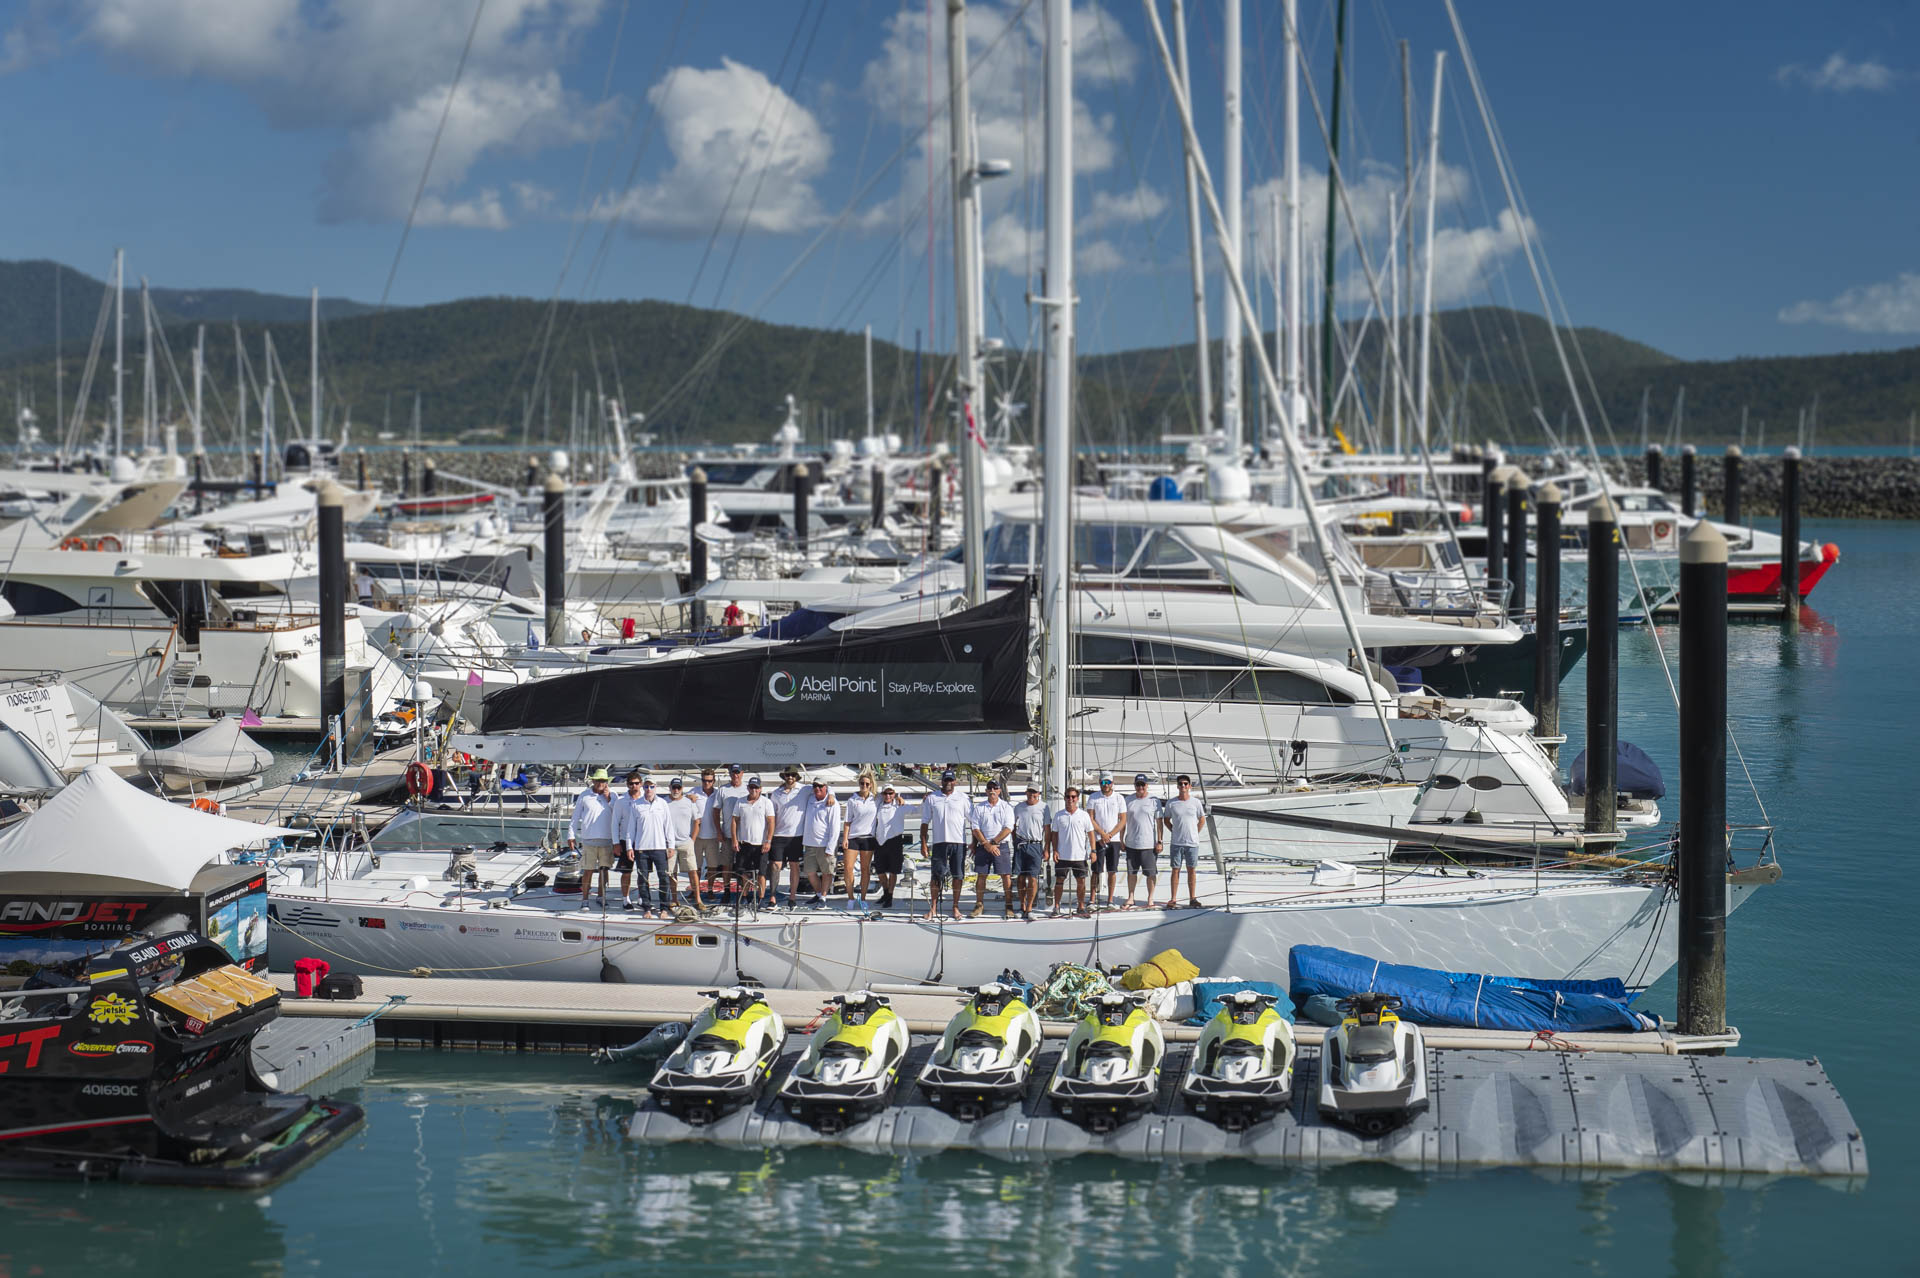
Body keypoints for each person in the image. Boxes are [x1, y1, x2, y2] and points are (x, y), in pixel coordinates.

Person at [917, 769, 970, 921]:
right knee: (936, 876)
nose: (948, 783)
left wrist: (975, 842)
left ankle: (955, 906)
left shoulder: (963, 798)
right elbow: (925, 822)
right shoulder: (932, 798)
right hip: (939, 843)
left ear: (955, 781)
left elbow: (973, 821)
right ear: (942, 781)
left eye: (950, 780)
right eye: (946, 780)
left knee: (958, 876)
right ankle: (933, 908)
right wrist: (924, 844)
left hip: (959, 842)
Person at [619, 775, 675, 917]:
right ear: (643, 787)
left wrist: (671, 845)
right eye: (646, 786)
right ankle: (647, 908)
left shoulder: (662, 804)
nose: (649, 789)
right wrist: (629, 848)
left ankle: (664, 908)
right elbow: (631, 829)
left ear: (655, 787)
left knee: (663, 878)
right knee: (643, 879)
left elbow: (668, 827)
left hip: (660, 847)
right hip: (641, 849)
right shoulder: (636, 805)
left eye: (652, 786)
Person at [568, 768, 616, 911]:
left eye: (603, 781)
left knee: (604, 870)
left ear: (607, 782)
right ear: (593, 781)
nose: (601, 783)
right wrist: (571, 835)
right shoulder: (584, 795)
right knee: (587, 871)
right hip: (588, 840)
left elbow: (618, 815)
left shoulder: (613, 795)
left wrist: (609, 799)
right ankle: (585, 899)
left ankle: (601, 896)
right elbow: (575, 817)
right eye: (598, 780)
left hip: (607, 840)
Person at [967, 779, 1016, 919]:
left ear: (1000, 790)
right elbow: (975, 827)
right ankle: (979, 904)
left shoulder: (1006, 807)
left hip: (1001, 846)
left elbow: (1008, 828)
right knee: (981, 875)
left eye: (995, 788)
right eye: (990, 788)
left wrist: (993, 842)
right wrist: (986, 844)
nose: (992, 790)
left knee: (1006, 875)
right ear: (986, 790)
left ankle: (1009, 905)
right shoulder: (979, 808)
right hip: (983, 846)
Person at [1047, 786, 1095, 917]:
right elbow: (1054, 835)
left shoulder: (1084, 815)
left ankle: (1081, 906)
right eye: (1068, 797)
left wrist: (1093, 851)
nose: (1070, 799)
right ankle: (1056, 907)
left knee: (1081, 882)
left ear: (1077, 798)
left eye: (1073, 797)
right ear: (1064, 798)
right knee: (1059, 882)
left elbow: (1091, 834)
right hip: (1062, 855)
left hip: (1080, 856)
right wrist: (1055, 851)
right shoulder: (1059, 815)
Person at [1161, 774, 1207, 910]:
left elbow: (1202, 819)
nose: (1183, 786)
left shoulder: (1196, 803)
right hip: (1177, 842)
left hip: (1192, 843)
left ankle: (1193, 898)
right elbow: (1166, 820)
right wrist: (1174, 831)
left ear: (1190, 786)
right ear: (1177, 786)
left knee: (1191, 870)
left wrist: (1195, 832)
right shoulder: (1171, 803)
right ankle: (1173, 898)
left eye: (1186, 784)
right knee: (1175, 870)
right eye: (1181, 784)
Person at [729, 776, 776, 906]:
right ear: (748, 788)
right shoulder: (740, 802)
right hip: (744, 843)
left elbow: (771, 822)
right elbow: (734, 821)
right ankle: (744, 896)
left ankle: (760, 898)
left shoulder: (767, 803)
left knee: (761, 873)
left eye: (756, 787)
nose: (754, 790)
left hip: (761, 845)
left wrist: (768, 841)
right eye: (752, 787)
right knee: (743, 872)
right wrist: (734, 840)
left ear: (760, 789)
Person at [1120, 773, 1162, 911]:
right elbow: (1123, 821)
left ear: (1147, 785)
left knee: (1150, 873)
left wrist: (1160, 841)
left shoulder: (1154, 801)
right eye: (1138, 785)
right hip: (1131, 843)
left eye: (1142, 785)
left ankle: (1150, 899)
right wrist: (1121, 839)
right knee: (1132, 873)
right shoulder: (1128, 800)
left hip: (1148, 844)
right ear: (1134, 786)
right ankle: (1131, 897)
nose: (1140, 787)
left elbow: (1159, 822)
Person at [800, 777, 844, 907]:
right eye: (815, 786)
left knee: (827, 872)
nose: (817, 789)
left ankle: (823, 898)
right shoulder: (810, 798)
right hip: (809, 843)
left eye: (820, 786)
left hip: (825, 844)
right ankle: (819, 894)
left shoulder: (832, 803)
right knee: (810, 872)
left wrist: (830, 848)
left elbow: (835, 828)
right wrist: (830, 791)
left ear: (826, 787)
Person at [768, 767, 808, 906]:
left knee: (794, 866)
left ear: (796, 777)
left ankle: (792, 897)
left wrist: (831, 795)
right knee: (775, 865)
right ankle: (772, 896)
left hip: (796, 836)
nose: (790, 777)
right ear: (784, 777)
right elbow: (771, 815)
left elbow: (825, 788)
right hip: (778, 835)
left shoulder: (804, 790)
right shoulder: (776, 793)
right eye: (787, 775)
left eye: (792, 775)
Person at [710, 764, 750, 903]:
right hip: (727, 835)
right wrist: (719, 831)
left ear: (742, 773)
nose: (736, 775)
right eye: (733, 772)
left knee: (743, 866)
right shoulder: (723, 790)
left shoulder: (748, 789)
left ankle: (744, 893)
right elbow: (716, 811)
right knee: (726, 864)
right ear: (730, 773)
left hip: (745, 836)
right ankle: (727, 891)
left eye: (738, 772)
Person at [1086, 773, 1126, 910]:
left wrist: (1110, 835)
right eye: (1103, 783)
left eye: (1108, 782)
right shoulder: (1093, 798)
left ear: (1112, 783)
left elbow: (1123, 819)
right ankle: (1092, 900)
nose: (1106, 785)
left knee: (1112, 871)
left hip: (1113, 840)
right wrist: (1102, 834)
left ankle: (1110, 900)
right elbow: (1090, 818)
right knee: (1096, 870)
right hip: (1098, 839)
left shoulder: (1119, 798)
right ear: (1100, 783)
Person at [1011, 782, 1049, 921]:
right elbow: (1012, 826)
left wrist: (1046, 848)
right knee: (1021, 878)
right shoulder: (1019, 807)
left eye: (1035, 792)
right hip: (1021, 845)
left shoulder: (1044, 807)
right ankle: (1022, 907)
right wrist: (1015, 842)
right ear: (1026, 792)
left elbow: (1047, 830)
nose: (1032, 795)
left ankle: (1030, 908)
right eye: (1029, 792)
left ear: (1038, 794)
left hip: (1036, 845)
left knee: (1033, 878)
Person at [608, 771, 645, 910]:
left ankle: (642, 898)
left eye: (636, 783)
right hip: (624, 840)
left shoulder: (646, 799)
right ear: (627, 784)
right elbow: (614, 823)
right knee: (626, 872)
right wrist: (616, 843)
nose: (634, 786)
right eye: (631, 783)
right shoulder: (621, 801)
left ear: (640, 784)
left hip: (643, 840)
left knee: (643, 872)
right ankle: (626, 899)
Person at [841, 773, 880, 904]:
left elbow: (889, 797)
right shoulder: (852, 800)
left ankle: (863, 898)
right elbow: (847, 821)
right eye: (862, 783)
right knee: (848, 868)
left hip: (868, 838)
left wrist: (899, 800)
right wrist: (845, 838)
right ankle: (851, 898)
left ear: (871, 785)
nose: (864, 786)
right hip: (853, 837)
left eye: (867, 784)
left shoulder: (875, 799)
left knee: (865, 869)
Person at [667, 777, 704, 910]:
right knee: (672, 873)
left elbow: (697, 821)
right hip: (669, 845)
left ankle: (698, 899)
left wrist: (692, 839)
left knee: (693, 871)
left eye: (678, 787)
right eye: (674, 787)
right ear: (669, 788)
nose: (676, 790)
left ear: (682, 789)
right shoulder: (663, 802)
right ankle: (674, 899)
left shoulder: (689, 802)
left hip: (686, 842)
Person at [871, 782, 909, 909]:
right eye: (886, 793)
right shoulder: (878, 805)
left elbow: (916, 810)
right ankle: (886, 893)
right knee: (880, 871)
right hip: (880, 841)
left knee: (893, 871)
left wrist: (926, 800)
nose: (888, 795)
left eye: (890, 793)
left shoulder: (900, 806)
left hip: (895, 841)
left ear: (894, 794)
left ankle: (890, 896)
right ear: (882, 795)